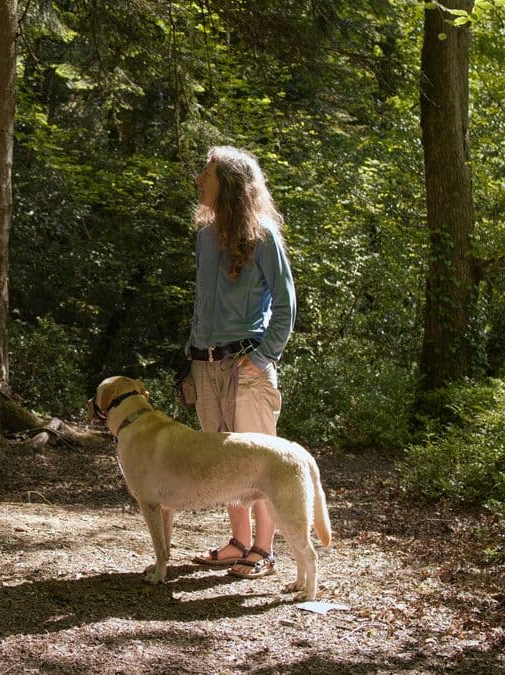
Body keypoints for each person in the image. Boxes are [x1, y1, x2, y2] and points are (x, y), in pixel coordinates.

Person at [185, 145, 296, 579]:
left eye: (206, 174)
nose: (199, 180)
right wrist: (191, 357)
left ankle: (263, 550)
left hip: (246, 367)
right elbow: (201, 305)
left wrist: (263, 357)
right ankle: (237, 542)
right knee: (221, 462)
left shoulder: (264, 235)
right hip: (205, 363)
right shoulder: (204, 237)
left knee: (259, 462)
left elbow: (286, 306)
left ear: (228, 184)